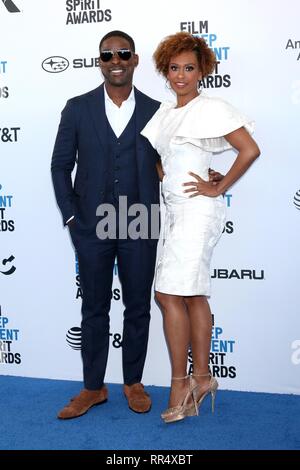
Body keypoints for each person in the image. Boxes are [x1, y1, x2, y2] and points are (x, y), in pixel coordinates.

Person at [51, 30, 222, 420]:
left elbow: (171, 161)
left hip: (140, 220)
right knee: (93, 307)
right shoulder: (77, 108)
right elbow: (60, 165)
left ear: (135, 60)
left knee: (137, 307)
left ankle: (133, 383)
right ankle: (93, 388)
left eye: (123, 54)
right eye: (108, 55)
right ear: (100, 61)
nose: (116, 61)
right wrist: (72, 215)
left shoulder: (157, 110)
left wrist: (208, 176)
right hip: (91, 224)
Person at [141, 32, 260, 423]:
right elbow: (162, 160)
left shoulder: (212, 107)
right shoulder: (165, 113)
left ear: (202, 70)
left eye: (189, 68)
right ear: (165, 70)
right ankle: (202, 378)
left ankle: (183, 382)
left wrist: (219, 185)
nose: (180, 76)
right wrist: (170, 177)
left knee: (170, 293)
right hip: (175, 210)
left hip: (198, 211)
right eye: (174, 68)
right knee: (187, 294)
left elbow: (250, 149)